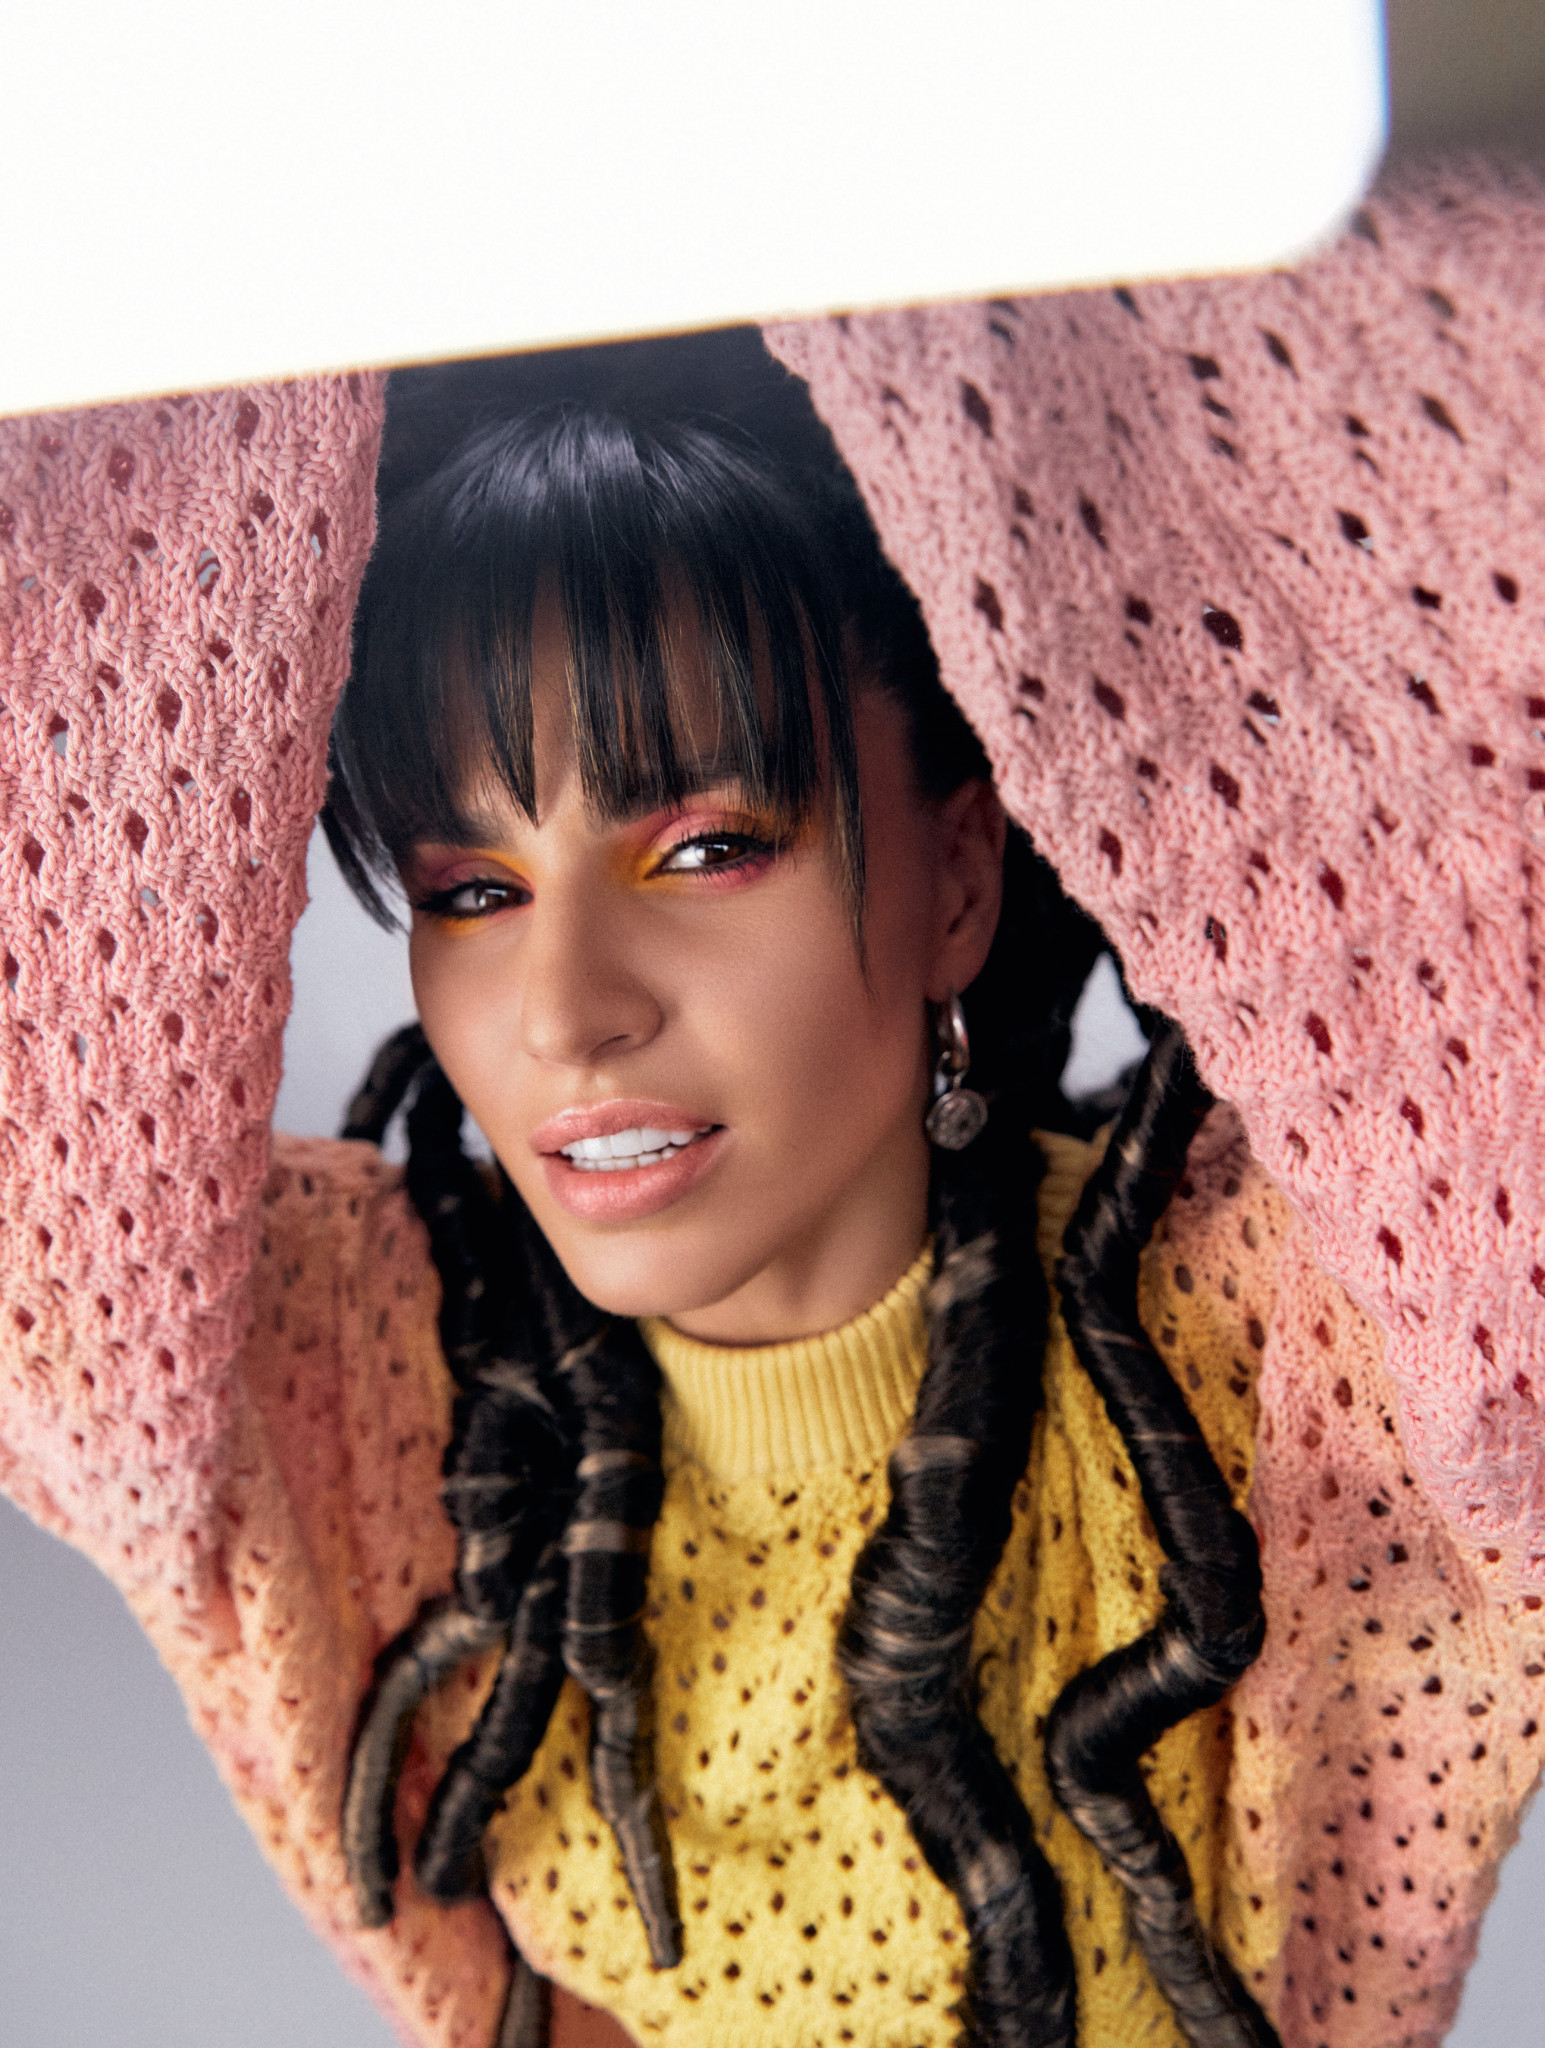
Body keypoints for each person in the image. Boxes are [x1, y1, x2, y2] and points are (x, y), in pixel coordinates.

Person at [3, 161, 1544, 2048]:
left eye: (706, 846)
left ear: (958, 876)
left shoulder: (1281, 1347)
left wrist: (935, 213)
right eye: (473, 889)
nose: (566, 1011)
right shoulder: (359, 1366)